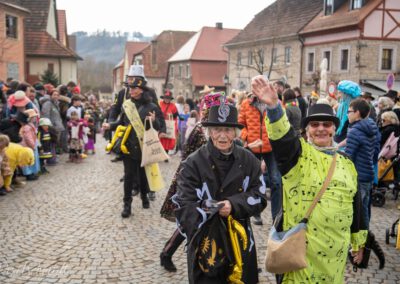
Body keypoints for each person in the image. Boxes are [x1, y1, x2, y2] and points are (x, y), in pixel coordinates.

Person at [251, 76, 367, 284]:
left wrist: (358, 242)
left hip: (335, 256)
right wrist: (275, 107)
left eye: (326, 124)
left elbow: (356, 205)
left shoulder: (347, 163)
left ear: (334, 128)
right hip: (301, 254)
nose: (321, 128)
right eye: (314, 124)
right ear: (307, 130)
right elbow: (283, 137)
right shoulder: (297, 155)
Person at [175, 101, 267, 283]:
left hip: (240, 242)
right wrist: (209, 208)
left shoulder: (249, 160)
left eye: (228, 129)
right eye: (217, 129)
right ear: (209, 132)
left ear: (236, 133)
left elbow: (260, 196)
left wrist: (233, 204)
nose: (223, 135)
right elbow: (183, 206)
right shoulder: (192, 163)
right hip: (205, 246)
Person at [159, 92, 218, 273]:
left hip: (214, 181)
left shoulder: (218, 128)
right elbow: (187, 156)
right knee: (190, 221)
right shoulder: (200, 130)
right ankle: (167, 253)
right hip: (194, 181)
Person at [103, 77, 165, 218]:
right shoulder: (127, 105)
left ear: (141, 90)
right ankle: (127, 205)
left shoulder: (152, 107)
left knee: (143, 176)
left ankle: (144, 196)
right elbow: (121, 122)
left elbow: (158, 127)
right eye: (130, 88)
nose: (130, 90)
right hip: (129, 146)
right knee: (129, 176)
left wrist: (154, 121)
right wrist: (110, 125)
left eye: (134, 88)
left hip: (144, 147)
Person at [238, 90, 281, 224]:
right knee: (254, 180)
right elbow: (240, 125)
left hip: (271, 146)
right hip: (253, 146)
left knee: (276, 181)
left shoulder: (274, 103)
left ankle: (276, 217)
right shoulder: (246, 104)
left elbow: (282, 122)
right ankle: (256, 213)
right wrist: (247, 137)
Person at [345, 99, 380, 228]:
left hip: (358, 175)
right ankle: (364, 241)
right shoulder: (370, 127)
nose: (347, 114)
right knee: (364, 210)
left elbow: (348, 158)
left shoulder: (355, 131)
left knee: (355, 212)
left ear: (357, 113)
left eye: (349, 111)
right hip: (368, 173)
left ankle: (357, 243)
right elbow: (375, 151)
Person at [159, 90, 179, 154]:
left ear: (170, 99)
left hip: (169, 125)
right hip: (161, 124)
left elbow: (176, 115)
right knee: (161, 138)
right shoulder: (160, 104)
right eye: (166, 98)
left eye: (168, 98)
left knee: (167, 139)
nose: (167, 99)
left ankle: (166, 153)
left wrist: (170, 115)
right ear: (164, 98)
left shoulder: (173, 106)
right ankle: (160, 153)